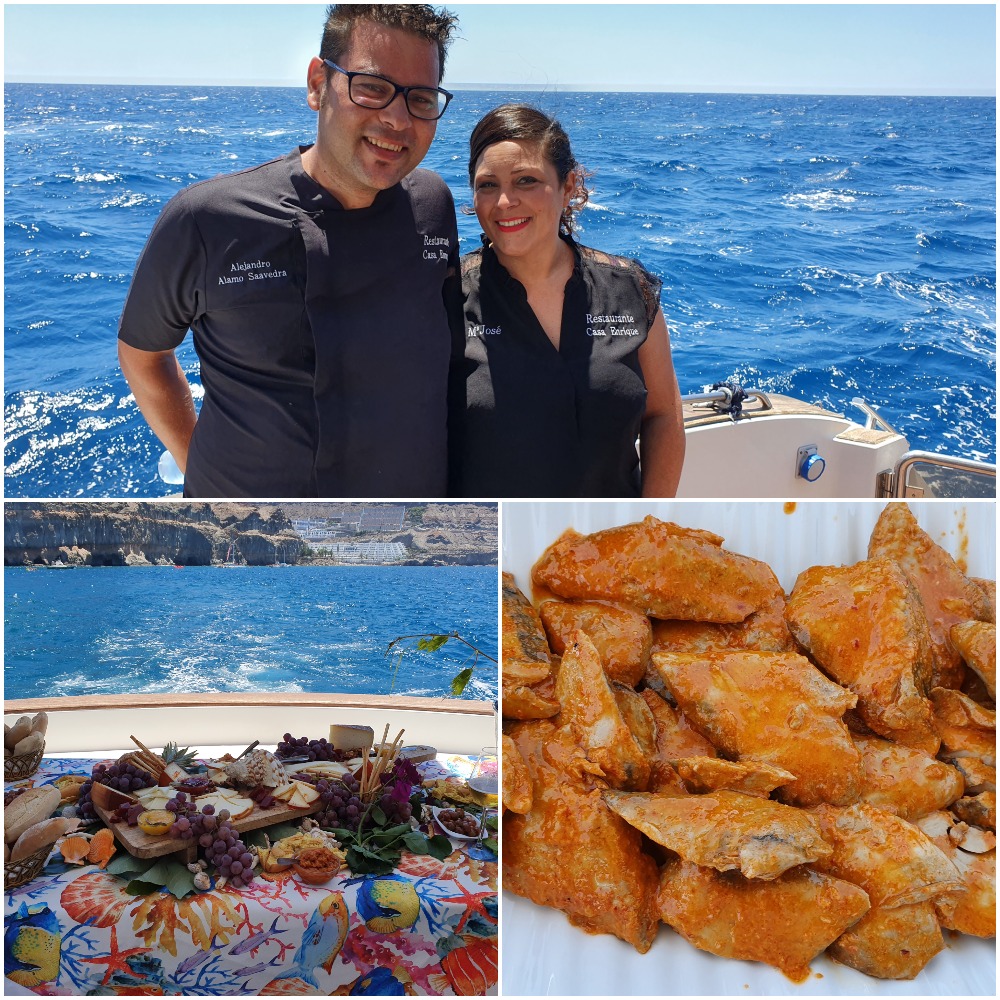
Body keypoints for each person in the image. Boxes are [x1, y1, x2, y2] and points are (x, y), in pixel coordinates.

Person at [118, 4, 460, 498]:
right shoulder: (206, 218)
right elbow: (143, 353)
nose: (397, 119)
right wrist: (201, 468)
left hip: (406, 531)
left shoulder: (434, 203)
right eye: (372, 87)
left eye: (422, 98)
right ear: (319, 83)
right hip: (239, 535)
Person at [451, 104, 686, 498]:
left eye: (526, 180)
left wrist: (648, 524)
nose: (505, 201)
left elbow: (663, 415)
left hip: (612, 547)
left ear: (570, 186)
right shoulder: (445, 297)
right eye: (488, 185)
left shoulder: (632, 290)